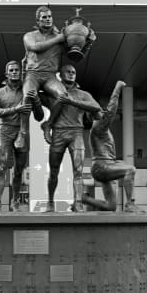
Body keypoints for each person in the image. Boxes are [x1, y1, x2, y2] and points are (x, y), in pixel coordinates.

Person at [14, 5, 95, 150]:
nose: (47, 19)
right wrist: (59, 38)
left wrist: (88, 42)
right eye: (44, 17)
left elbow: (76, 57)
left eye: (49, 16)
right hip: (33, 74)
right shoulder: (30, 36)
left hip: (50, 76)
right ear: (38, 22)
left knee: (63, 95)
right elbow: (36, 47)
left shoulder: (60, 37)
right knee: (27, 96)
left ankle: (48, 124)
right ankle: (22, 132)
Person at [41, 63, 101, 212]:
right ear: (60, 75)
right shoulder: (51, 93)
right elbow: (33, 94)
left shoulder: (83, 94)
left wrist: (72, 101)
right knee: (53, 171)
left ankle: (78, 203)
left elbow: (97, 109)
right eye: (67, 71)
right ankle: (50, 202)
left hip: (77, 133)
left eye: (73, 72)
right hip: (58, 133)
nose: (71, 73)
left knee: (78, 171)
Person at [0, 60, 44, 212]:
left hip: (23, 131)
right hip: (5, 131)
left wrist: (37, 100)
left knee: (19, 170)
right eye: (11, 70)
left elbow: (39, 117)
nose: (14, 72)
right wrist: (15, 109)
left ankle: (15, 201)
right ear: (6, 74)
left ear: (21, 73)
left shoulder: (27, 91)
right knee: (1, 167)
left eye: (17, 70)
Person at [81, 80, 143, 213]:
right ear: (96, 114)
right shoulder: (99, 126)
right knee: (130, 170)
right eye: (100, 110)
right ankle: (130, 204)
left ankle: (85, 199)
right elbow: (112, 110)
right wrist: (118, 88)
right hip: (102, 167)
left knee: (111, 206)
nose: (103, 112)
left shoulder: (99, 128)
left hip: (102, 168)